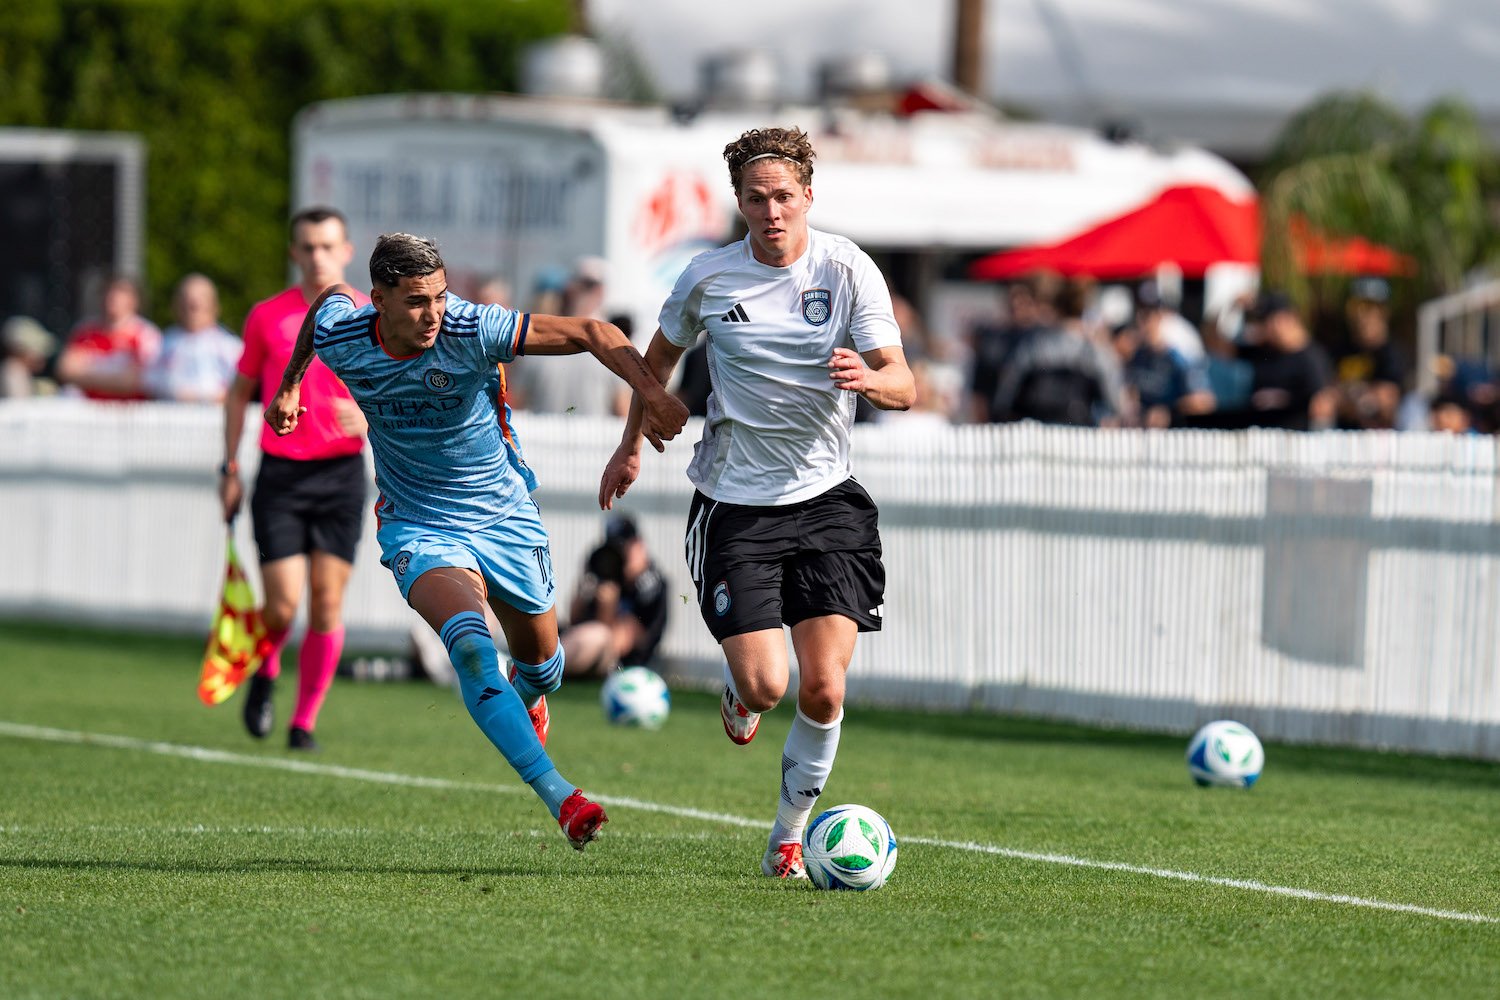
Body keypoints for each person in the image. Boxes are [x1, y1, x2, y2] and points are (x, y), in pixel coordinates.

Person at [264, 231, 688, 850]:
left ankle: (529, 695)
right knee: (467, 647)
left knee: (546, 668)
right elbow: (326, 299)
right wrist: (290, 385)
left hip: (504, 519)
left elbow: (594, 333)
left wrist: (652, 395)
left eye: (439, 296)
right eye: (414, 302)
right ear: (378, 300)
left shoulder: (472, 327)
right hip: (419, 523)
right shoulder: (345, 336)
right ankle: (562, 799)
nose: (433, 313)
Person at [597, 126, 915, 879]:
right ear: (738, 203)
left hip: (828, 499)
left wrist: (870, 382)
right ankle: (743, 697)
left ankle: (788, 834)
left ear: (808, 195)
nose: (771, 211)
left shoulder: (847, 270)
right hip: (736, 504)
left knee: (825, 684)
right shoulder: (709, 277)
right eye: (755, 198)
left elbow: (905, 381)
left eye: (782, 196)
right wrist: (632, 442)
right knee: (768, 683)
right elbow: (655, 367)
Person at [220, 207, 367, 751]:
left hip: (341, 474)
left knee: (326, 602)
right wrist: (229, 468)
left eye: (327, 246)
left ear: (346, 251)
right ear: (294, 254)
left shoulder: (370, 313)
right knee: (281, 605)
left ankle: (303, 722)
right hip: (280, 474)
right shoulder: (268, 316)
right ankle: (266, 668)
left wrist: (371, 418)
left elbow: (402, 386)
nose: (317, 256)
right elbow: (239, 393)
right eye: (307, 247)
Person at [506, 256, 621, 417]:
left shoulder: (614, 346)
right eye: (580, 284)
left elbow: (515, 409)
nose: (580, 291)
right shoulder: (614, 346)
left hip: (588, 440)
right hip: (559, 439)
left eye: (588, 285)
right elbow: (515, 406)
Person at [560, 514, 670, 678]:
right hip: (582, 652)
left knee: (597, 635)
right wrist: (585, 586)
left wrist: (607, 608)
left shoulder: (649, 584)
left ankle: (543, 670)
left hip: (619, 665)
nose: (619, 555)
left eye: (623, 547)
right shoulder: (605, 576)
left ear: (638, 546)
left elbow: (620, 643)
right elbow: (573, 620)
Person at [1235, 291, 1336, 431]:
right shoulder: (1265, 350)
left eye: (1268, 321)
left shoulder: (1312, 358)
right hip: (1258, 438)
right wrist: (1231, 307)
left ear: (1288, 318)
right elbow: (1216, 344)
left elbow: (1323, 406)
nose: (1265, 328)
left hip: (1295, 442)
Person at [55, 274, 162, 401]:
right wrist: (114, 378)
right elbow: (65, 370)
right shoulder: (85, 331)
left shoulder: (146, 335)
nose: (112, 297)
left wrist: (86, 375)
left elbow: (138, 381)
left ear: (134, 300)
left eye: (120, 292)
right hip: (89, 412)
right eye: (108, 291)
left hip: (130, 413)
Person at [149, 273, 242, 403]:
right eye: (187, 299)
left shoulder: (230, 347)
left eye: (201, 298)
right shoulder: (162, 343)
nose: (194, 304)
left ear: (214, 305)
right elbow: (149, 381)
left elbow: (240, 389)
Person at [1331, 276, 1406, 430]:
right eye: (1356, 307)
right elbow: (1331, 396)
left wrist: (1352, 398)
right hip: (1342, 437)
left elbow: (1385, 401)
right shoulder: (1341, 349)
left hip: (1379, 441)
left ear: (1383, 312)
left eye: (1369, 307)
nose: (1361, 315)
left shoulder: (1391, 353)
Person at [0, 316, 58, 398]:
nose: (42, 356)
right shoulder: (14, 370)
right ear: (18, 351)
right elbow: (20, 407)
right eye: (36, 349)